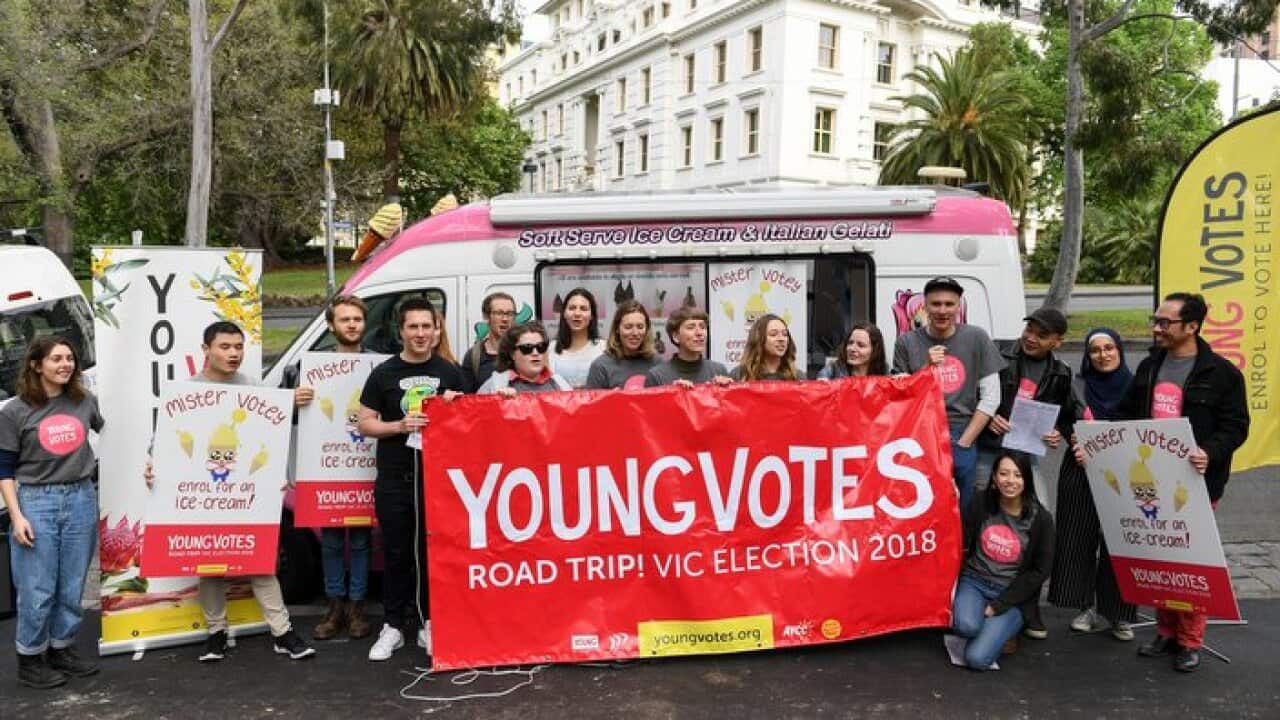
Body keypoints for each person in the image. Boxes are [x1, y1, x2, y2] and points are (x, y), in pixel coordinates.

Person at [1079, 293, 1249, 672]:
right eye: (1155, 320)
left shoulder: (1222, 374)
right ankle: (1166, 631)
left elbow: (1236, 426)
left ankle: (1190, 641)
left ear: (1191, 326)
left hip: (1195, 482)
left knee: (1191, 561)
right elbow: (1126, 416)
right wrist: (1097, 442)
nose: (1156, 328)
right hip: (1149, 480)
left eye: (1164, 323)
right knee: (1160, 554)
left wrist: (1210, 450)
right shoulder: (1150, 367)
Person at [146, 321, 316, 663]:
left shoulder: (255, 389)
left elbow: (267, 440)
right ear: (206, 350)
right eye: (225, 347)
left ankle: (282, 633)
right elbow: (162, 442)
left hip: (245, 496)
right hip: (203, 497)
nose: (233, 353)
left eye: (238, 347)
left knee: (261, 563)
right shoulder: (184, 392)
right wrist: (152, 463)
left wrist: (277, 477)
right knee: (209, 565)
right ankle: (216, 634)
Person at [358, 297, 466, 661]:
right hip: (393, 476)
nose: (420, 334)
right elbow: (365, 422)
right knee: (396, 551)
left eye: (426, 326)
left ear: (437, 330)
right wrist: (398, 425)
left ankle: (429, 623)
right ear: (401, 331)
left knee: (429, 553)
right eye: (413, 327)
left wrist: (456, 406)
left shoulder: (450, 372)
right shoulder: (383, 374)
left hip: (435, 479)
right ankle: (392, 625)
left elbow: (469, 424)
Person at [1, 337, 102, 688]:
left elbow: (115, 434)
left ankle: (62, 647)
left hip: (80, 496)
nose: (66, 364)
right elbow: (4, 468)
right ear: (36, 364)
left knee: (72, 581)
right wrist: (17, 516)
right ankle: (30, 657)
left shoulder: (84, 401)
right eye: (56, 358)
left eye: (70, 358)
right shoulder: (15, 411)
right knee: (37, 585)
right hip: (37, 501)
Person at [281, 296, 374, 642]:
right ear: (331, 325)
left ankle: (357, 607)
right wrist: (294, 400)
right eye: (344, 319)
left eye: (357, 319)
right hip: (326, 467)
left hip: (366, 467)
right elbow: (281, 416)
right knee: (332, 541)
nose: (351, 325)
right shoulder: (309, 369)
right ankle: (335, 606)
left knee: (362, 540)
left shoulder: (378, 364)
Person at [1049, 327, 1137, 642]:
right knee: (1078, 538)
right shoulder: (1077, 386)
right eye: (1095, 350)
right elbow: (1059, 417)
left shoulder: (1135, 387)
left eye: (1109, 348)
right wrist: (1065, 433)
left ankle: (1120, 614)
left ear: (1120, 350)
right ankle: (1084, 607)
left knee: (1121, 541)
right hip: (1080, 469)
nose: (1103, 355)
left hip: (1125, 474)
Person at [891, 276, 1004, 511]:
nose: (943, 310)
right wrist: (926, 368)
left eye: (949, 304)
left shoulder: (977, 337)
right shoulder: (906, 342)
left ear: (959, 306)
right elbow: (900, 396)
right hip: (920, 433)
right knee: (922, 505)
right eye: (936, 304)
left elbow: (991, 396)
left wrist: (965, 441)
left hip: (962, 430)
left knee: (964, 509)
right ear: (925, 306)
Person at [950, 451, 1054, 670]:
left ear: (1026, 480)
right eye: (1004, 474)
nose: (1010, 481)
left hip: (1011, 594)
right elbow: (960, 538)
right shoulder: (981, 503)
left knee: (977, 659)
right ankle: (989, 629)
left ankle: (1007, 629)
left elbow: (1040, 571)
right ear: (995, 479)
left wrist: (999, 606)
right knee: (966, 627)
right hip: (975, 581)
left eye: (1017, 475)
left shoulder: (1041, 519)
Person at [644, 306, 732, 387]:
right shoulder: (657, 376)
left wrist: (723, 393)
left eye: (703, 327)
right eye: (691, 327)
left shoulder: (719, 371)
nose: (699, 333)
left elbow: (730, 404)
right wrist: (672, 393)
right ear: (675, 337)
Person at [478, 322, 572, 395]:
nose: (535, 353)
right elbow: (476, 416)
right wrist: (498, 402)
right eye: (527, 348)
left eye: (541, 347)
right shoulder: (496, 384)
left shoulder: (559, 382)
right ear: (512, 354)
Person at [585, 300, 660, 390]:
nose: (635, 333)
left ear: (646, 329)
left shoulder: (658, 363)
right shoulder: (601, 367)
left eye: (640, 327)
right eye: (628, 327)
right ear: (617, 328)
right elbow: (592, 403)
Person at [548, 288, 605, 388]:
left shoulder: (604, 348)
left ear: (592, 315)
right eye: (572, 308)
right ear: (564, 314)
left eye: (583, 308)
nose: (577, 313)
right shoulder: (549, 349)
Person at [460, 292, 516, 392]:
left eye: (510, 313)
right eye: (499, 313)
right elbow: (467, 399)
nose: (505, 319)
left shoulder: (524, 352)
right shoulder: (473, 356)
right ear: (486, 317)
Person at [731, 314, 799, 381]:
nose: (781, 339)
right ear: (759, 339)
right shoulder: (740, 374)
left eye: (785, 334)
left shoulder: (797, 376)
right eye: (773, 334)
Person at [818, 323, 888, 378]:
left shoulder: (884, 373)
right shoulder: (832, 369)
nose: (852, 348)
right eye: (850, 343)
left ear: (875, 350)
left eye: (861, 345)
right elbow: (821, 383)